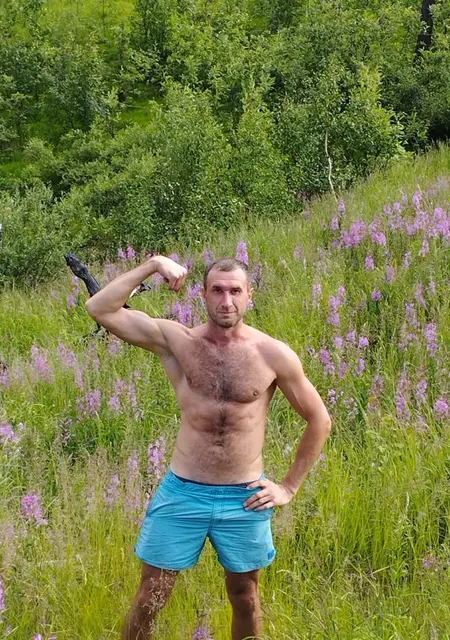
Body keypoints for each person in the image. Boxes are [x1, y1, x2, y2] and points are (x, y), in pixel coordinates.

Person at [85, 254, 331, 640]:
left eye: (235, 291)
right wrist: (153, 265)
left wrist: (288, 487)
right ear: (203, 294)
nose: (226, 301)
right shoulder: (178, 341)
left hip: (245, 497)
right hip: (183, 492)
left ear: (250, 295)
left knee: (246, 597)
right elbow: (100, 308)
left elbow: (319, 420)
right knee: (150, 596)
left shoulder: (272, 354)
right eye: (217, 290)